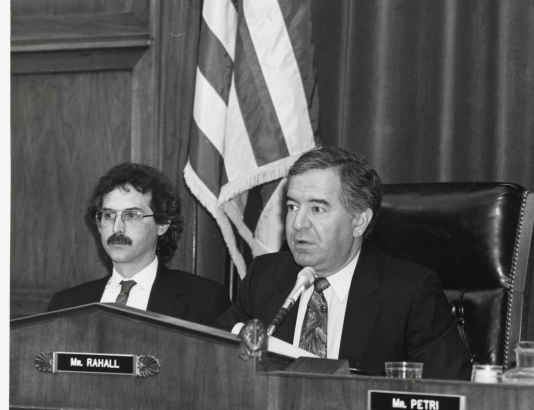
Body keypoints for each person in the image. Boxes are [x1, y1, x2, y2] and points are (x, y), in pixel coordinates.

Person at [215, 146, 472, 380]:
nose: (298, 224)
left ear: (358, 221)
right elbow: (213, 358)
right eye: (293, 207)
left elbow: (448, 389)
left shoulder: (409, 292)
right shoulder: (265, 276)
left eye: (317, 209)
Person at [48, 162, 230, 325]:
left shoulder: (204, 302)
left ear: (162, 224)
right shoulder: (66, 305)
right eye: (109, 215)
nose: (117, 228)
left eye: (131, 215)